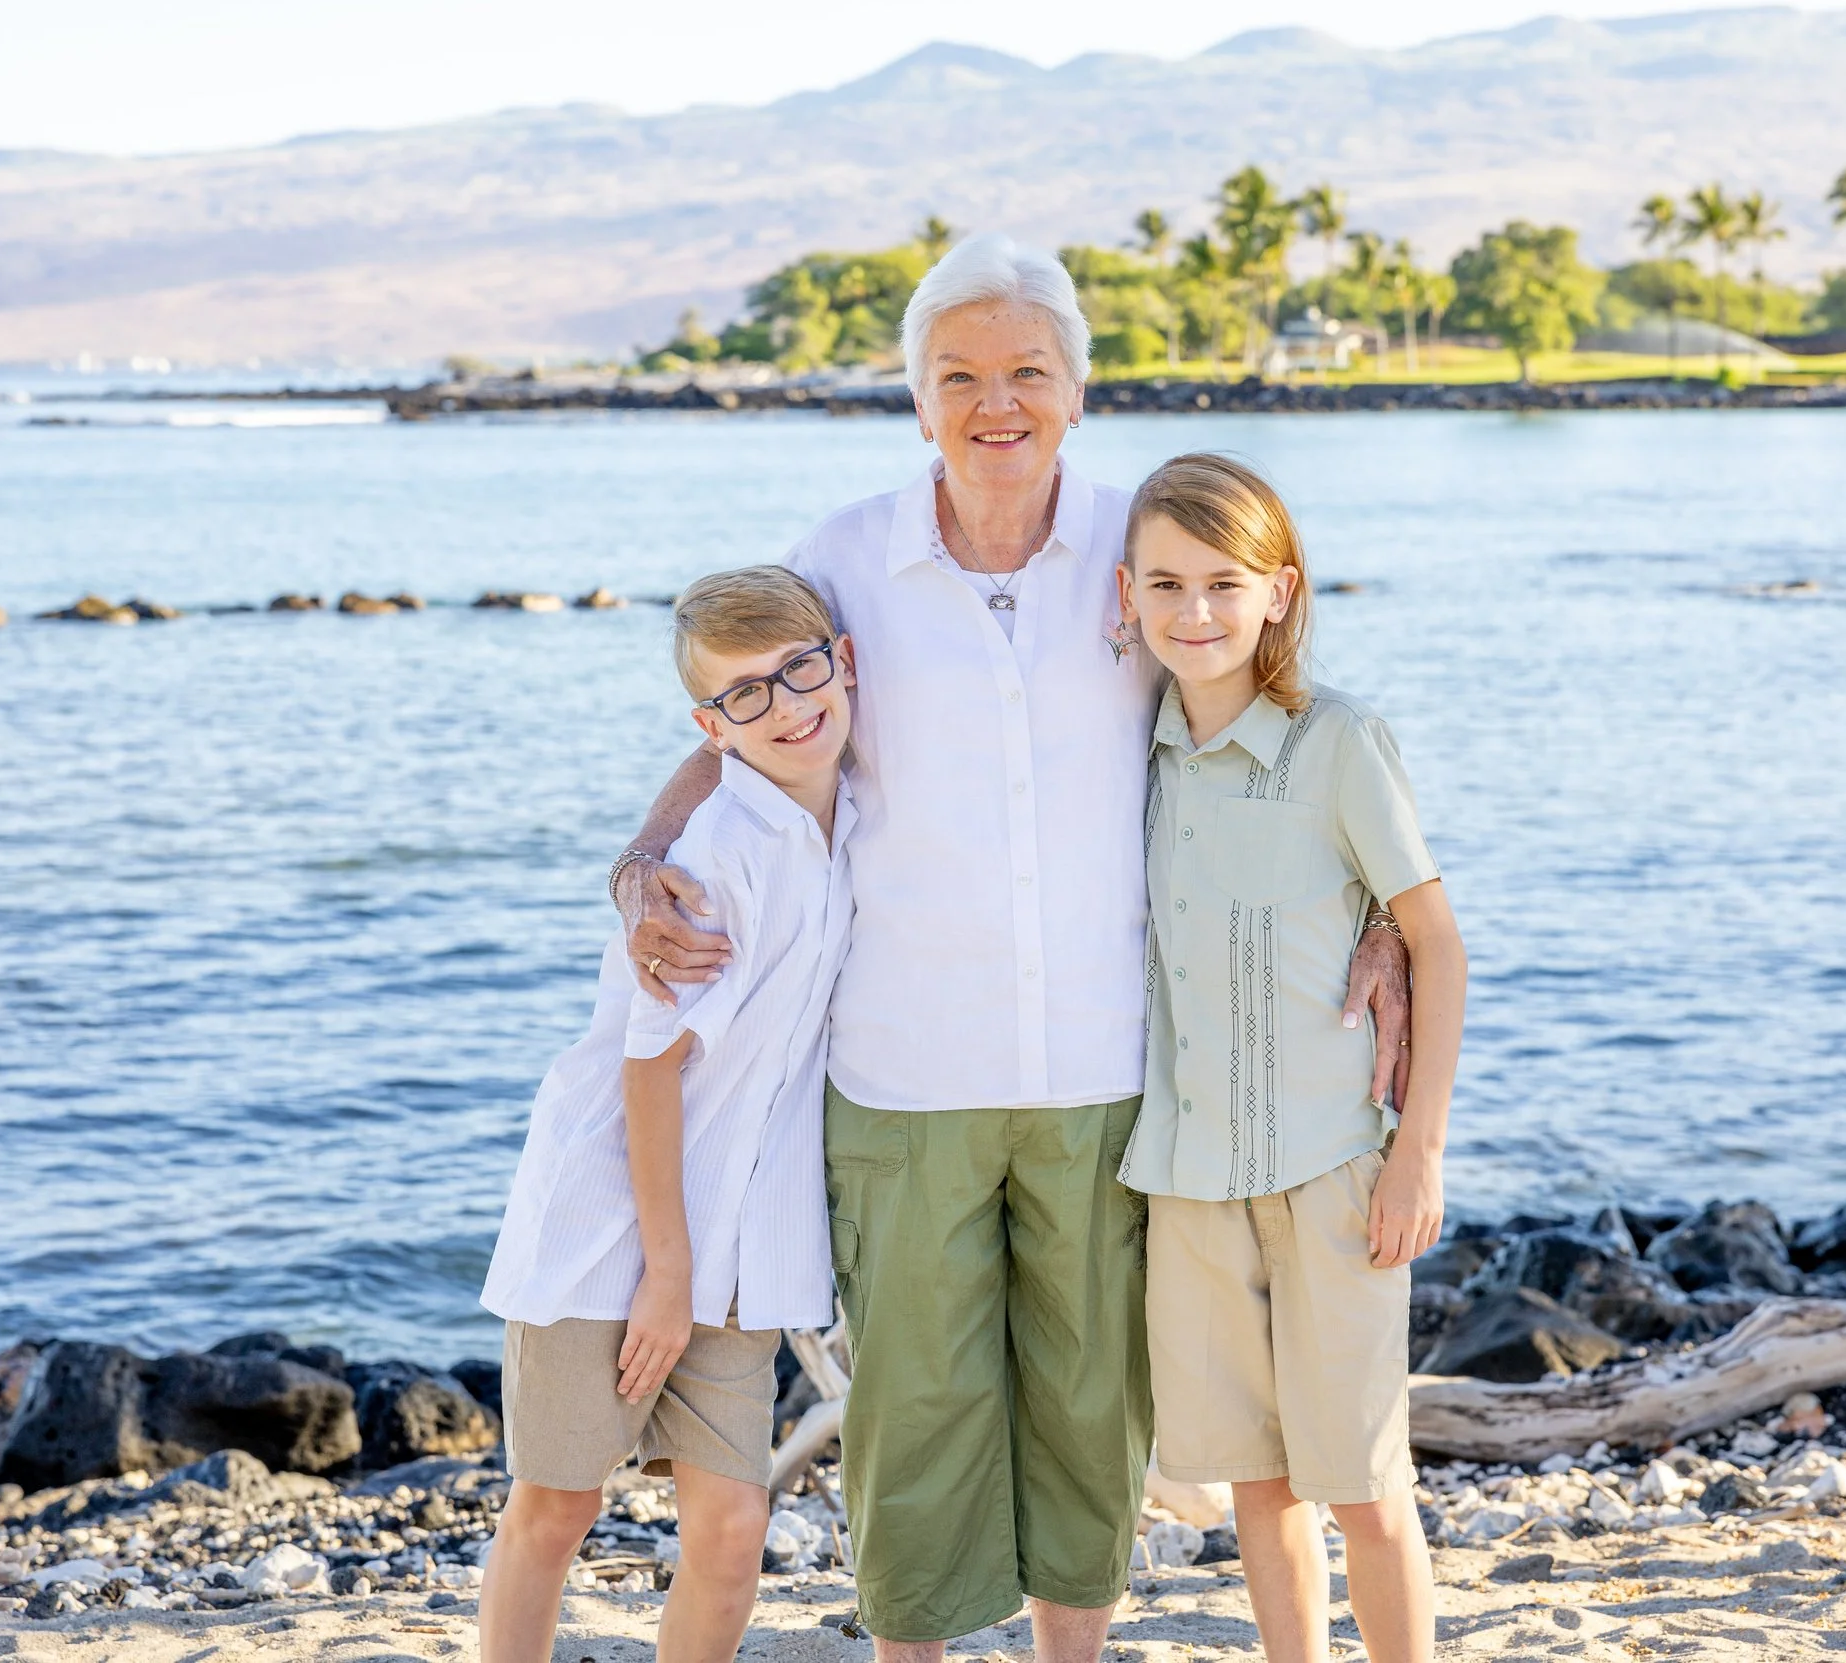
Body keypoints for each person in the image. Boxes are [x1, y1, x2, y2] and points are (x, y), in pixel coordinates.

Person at [606, 235, 1413, 1663]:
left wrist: (1383, 924)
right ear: (916, 398)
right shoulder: (843, 558)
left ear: (1078, 389)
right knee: (915, 1407)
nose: (996, 401)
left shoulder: (1136, 545)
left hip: (1110, 1071)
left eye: (1027, 371)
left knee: (1092, 1402)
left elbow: (1276, 715)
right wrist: (643, 858)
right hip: (903, 1073)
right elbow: (745, 709)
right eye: (958, 374)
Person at [1116, 453, 1466, 1663]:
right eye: (1165, 584)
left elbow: (1435, 942)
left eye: (1223, 582)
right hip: (1187, 1182)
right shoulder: (1130, 755)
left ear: (1280, 591)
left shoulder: (1339, 742)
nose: (1193, 612)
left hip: (1333, 1170)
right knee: (1256, 1483)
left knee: (1364, 1478)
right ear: (1126, 595)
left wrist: (1415, 1151)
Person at [476, 567, 859, 1663]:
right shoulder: (714, 861)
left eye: (800, 669)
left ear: (842, 657)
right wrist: (668, 1270)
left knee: (735, 1526)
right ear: (711, 726)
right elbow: (648, 1074)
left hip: (744, 1245)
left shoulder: (853, 809)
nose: (786, 704)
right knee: (557, 1507)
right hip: (608, 1230)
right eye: (746, 696)